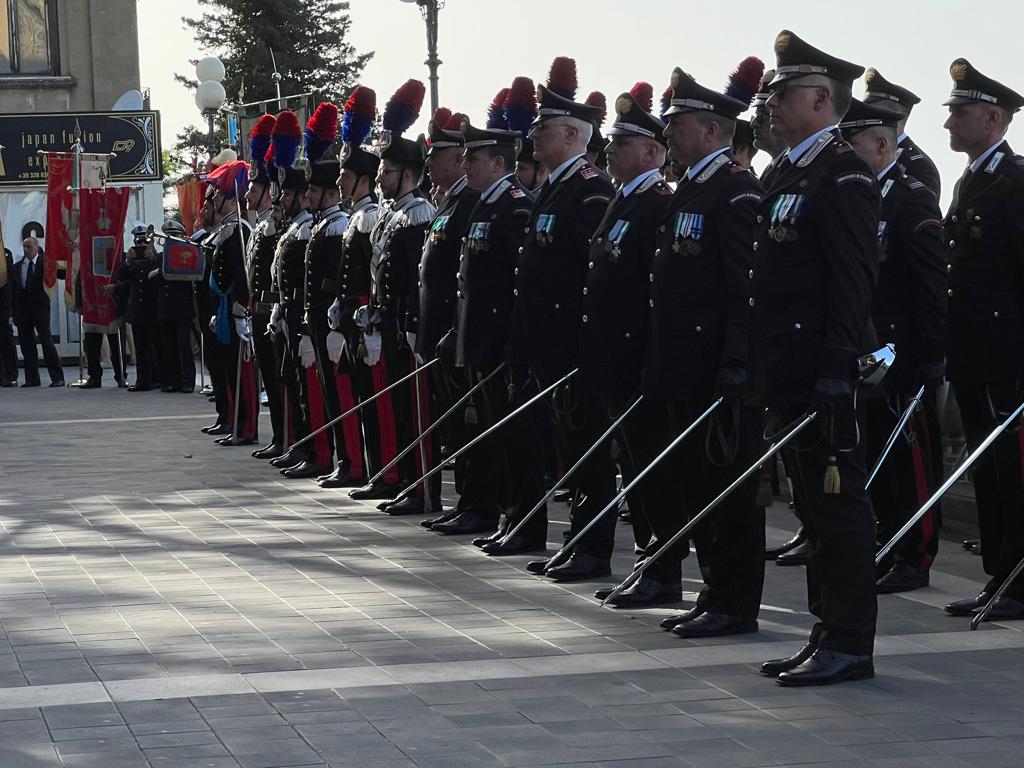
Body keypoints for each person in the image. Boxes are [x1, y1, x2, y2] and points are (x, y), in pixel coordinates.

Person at [750, 31, 879, 686]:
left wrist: (835, 367)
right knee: (812, 510)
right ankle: (824, 632)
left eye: (783, 92)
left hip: (822, 371)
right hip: (788, 367)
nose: (771, 104)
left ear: (822, 100)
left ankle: (850, 641)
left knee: (838, 508)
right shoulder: (785, 171)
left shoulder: (843, 173)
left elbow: (853, 283)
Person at [508, 56, 615, 582]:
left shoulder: (590, 189)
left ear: (572, 134)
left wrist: (579, 342)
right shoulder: (555, 186)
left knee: (587, 448)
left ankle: (593, 546)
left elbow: (591, 275)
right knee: (569, 449)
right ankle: (577, 539)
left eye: (543, 128)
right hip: (548, 342)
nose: (533, 136)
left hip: (573, 342)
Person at [840, 98, 947, 594]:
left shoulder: (910, 198)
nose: (844, 152)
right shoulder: (860, 196)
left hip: (901, 353)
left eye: (852, 143)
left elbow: (931, 283)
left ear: (882, 144)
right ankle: (887, 540)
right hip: (868, 351)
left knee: (909, 459)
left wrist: (931, 354)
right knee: (877, 455)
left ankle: (915, 552)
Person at [941, 59, 1024, 622]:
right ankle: (999, 575)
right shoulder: (971, 179)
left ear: (992, 118)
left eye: (960, 113)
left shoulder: (1015, 181)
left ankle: (1019, 581)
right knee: (987, 471)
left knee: (1012, 476)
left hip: (1006, 359)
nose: (949, 123)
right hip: (972, 354)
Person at [349, 80, 439, 512]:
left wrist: (409, 323)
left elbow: (415, 278)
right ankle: (401, 478)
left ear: (407, 174)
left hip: (406, 324)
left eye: (387, 171)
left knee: (414, 408)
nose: (380, 177)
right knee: (396, 406)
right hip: (385, 322)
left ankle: (421, 487)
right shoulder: (393, 214)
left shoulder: (419, 214)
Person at [389, 107, 480, 521]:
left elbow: (461, 277)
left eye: (436, 155)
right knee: (453, 421)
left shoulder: (468, 202)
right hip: (439, 333)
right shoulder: (448, 202)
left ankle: (475, 503)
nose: (428, 164)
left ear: (458, 158)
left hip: (454, 332)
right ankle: (466, 501)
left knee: (466, 422)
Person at [301, 102, 365, 485]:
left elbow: (340, 278)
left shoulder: (339, 224)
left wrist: (337, 320)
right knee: (326, 394)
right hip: (320, 320)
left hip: (337, 322)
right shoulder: (325, 224)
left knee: (343, 397)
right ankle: (340, 460)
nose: (307, 195)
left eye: (313, 189)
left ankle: (353, 463)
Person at [329, 86, 388, 490]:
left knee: (375, 400)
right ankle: (367, 467)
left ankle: (384, 471)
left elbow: (373, 272)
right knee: (360, 397)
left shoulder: (370, 218)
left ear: (364, 180)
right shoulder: (355, 218)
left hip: (367, 318)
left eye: (346, 176)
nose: (339, 181)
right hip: (351, 316)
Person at [267, 111, 332, 477]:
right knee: (296, 385)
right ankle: (303, 446)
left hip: (308, 318)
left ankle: (319, 453)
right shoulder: (295, 228)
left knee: (312, 390)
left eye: (290, 194)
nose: (285, 199)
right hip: (291, 314)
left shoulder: (309, 228)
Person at [204, 160, 258, 446]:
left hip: (233, 309)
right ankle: (230, 419)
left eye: (217, 193)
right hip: (221, 308)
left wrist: (239, 309)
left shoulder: (239, 229)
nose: (213, 197)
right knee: (225, 367)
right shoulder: (226, 228)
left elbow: (241, 275)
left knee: (240, 371)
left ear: (229, 197)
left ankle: (245, 427)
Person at [245, 114, 287, 459]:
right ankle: (278, 435)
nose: (248, 194)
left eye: (254, 189)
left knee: (280, 379)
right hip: (257, 312)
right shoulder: (260, 227)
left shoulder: (274, 227)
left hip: (271, 311)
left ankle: (286, 435)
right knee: (270, 380)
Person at [863, 68, 942, 199]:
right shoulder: (863, 150)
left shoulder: (919, 166)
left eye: (872, 113)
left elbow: (925, 208)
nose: (864, 118)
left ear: (896, 117)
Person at [11, 236, 64, 387]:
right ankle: (32, 379)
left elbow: (60, 275)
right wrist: (13, 312)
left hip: (40, 309)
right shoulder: (17, 267)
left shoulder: (45, 264)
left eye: (29, 246)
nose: (26, 249)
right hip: (23, 311)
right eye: (24, 246)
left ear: (36, 248)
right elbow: (14, 290)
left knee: (46, 341)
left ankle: (57, 377)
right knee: (27, 345)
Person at [117, 225, 163, 391]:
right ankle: (143, 381)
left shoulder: (157, 258)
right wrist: (127, 261)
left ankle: (159, 378)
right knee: (141, 347)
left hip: (153, 308)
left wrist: (153, 257)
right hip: (137, 308)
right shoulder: (131, 260)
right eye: (138, 242)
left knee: (156, 346)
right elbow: (121, 276)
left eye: (144, 242)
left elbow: (162, 275)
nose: (141, 246)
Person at [154, 220, 197, 393]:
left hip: (182, 307)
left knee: (183, 346)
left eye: (174, 236)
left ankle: (188, 381)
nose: (171, 239)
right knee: (169, 347)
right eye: (168, 236)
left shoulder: (187, 254)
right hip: (165, 306)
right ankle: (174, 381)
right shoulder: (160, 257)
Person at [0, 248, 16, 386]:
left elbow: (8, 278)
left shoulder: (5, 253)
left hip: (3, 306)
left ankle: (10, 375)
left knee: (6, 341)